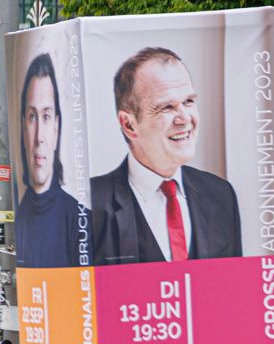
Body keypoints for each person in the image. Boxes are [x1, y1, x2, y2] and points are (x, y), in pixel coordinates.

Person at [90, 47, 242, 264]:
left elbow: (235, 286)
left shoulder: (221, 195)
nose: (185, 118)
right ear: (129, 124)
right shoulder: (88, 207)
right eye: (167, 107)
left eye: (188, 102)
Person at [14, 53, 89, 268]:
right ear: (22, 125)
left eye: (46, 117)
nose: (39, 137)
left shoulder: (81, 221)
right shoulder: (16, 219)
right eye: (32, 117)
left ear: (56, 128)